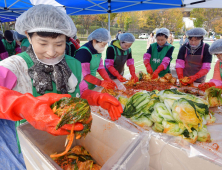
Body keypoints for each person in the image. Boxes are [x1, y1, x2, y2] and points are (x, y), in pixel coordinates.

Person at [0, 5, 122, 169]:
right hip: (34, 141)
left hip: (69, 135)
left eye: (59, 44)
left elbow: (80, 93)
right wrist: (25, 106)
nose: (51, 52)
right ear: (28, 36)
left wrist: (97, 98)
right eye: (43, 43)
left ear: (67, 39)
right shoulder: (14, 66)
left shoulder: (73, 64)